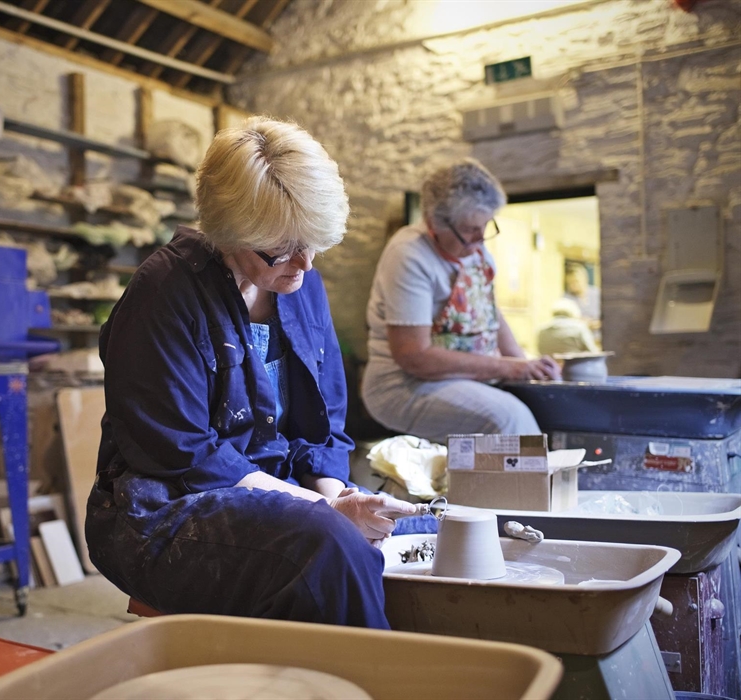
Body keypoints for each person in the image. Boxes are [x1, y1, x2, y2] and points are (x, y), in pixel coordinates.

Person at [86, 117, 426, 631]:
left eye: (313, 245)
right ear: (230, 232)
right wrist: (323, 513)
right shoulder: (163, 293)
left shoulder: (299, 278)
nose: (305, 264)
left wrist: (339, 496)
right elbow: (183, 455)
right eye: (284, 248)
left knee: (418, 530)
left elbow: (325, 423)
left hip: (287, 495)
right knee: (326, 545)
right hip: (166, 509)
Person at [362, 158, 561, 443]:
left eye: (486, 226)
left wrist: (525, 366)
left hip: (459, 378)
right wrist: (511, 367)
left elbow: (490, 313)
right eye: (470, 230)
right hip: (404, 385)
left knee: (543, 403)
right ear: (434, 223)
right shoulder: (410, 255)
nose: (481, 239)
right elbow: (413, 356)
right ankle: (522, 489)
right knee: (508, 419)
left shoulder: (475, 251)